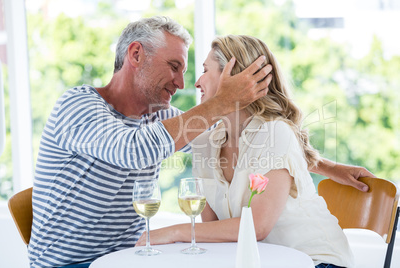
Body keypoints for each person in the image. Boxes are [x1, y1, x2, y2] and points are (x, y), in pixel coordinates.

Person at [29, 16, 371, 267]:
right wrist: (222, 101)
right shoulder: (78, 106)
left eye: (190, 70)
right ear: (135, 55)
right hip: (71, 264)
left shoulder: (160, 120)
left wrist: (323, 165)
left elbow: (250, 141)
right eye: (174, 66)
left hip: (129, 258)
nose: (182, 82)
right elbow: (132, 150)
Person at [136, 35, 374, 268]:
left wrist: (174, 232)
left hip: (315, 261)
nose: (197, 82)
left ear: (236, 78)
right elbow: (215, 235)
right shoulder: (204, 143)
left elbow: (258, 226)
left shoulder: (276, 133)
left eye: (206, 70)